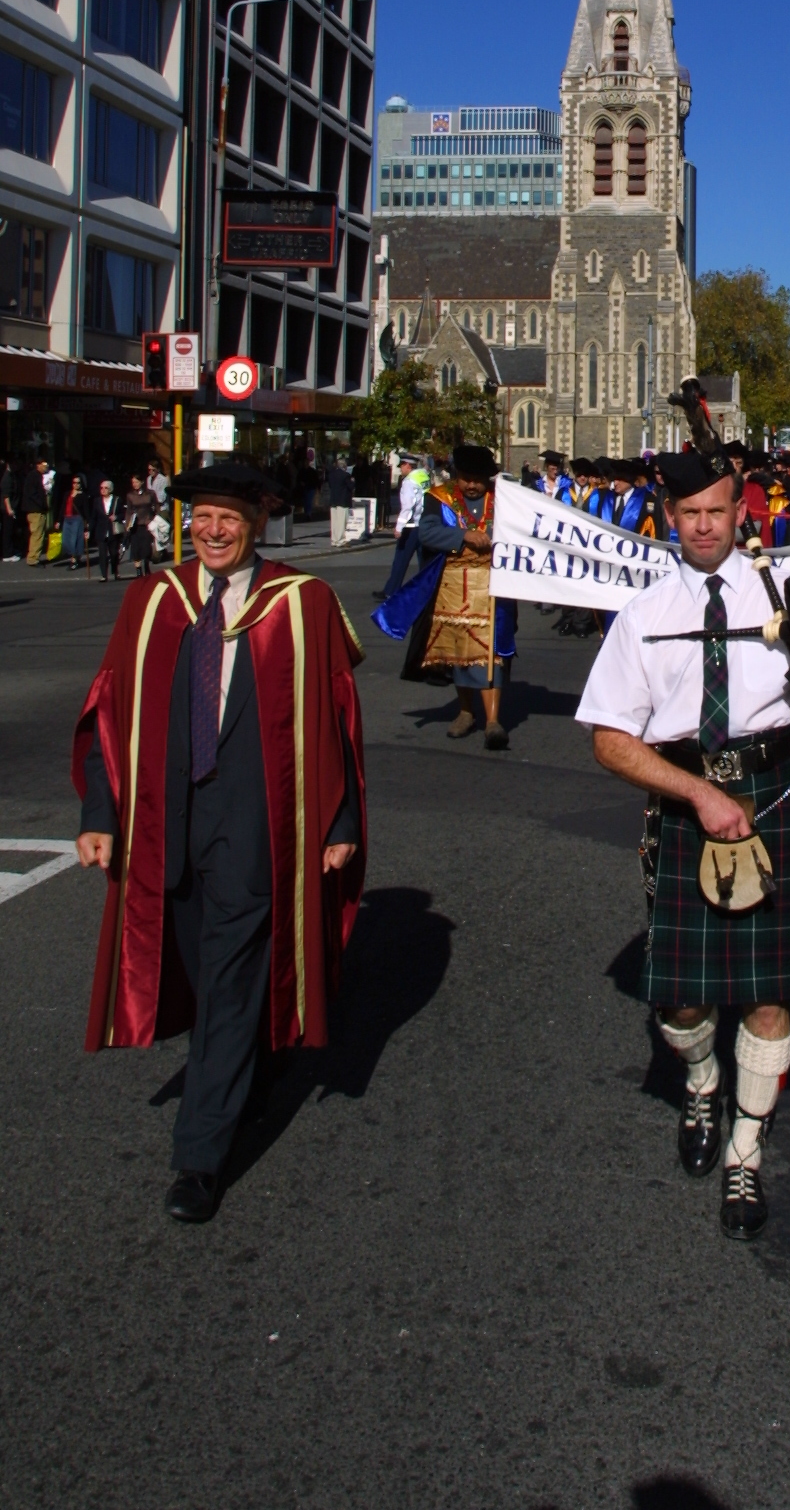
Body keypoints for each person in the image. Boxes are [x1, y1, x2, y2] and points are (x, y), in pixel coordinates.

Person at [575, 449, 790, 1239]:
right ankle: (703, 1081)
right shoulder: (642, 616)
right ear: (668, 519)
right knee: (682, 996)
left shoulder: (788, 590)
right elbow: (610, 739)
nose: (704, 526)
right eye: (689, 514)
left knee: (769, 993)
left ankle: (745, 1153)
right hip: (685, 805)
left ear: (741, 512)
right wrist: (697, 793)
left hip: (780, 797)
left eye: (717, 511)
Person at [72, 461, 366, 1223]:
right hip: (162, 821)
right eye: (202, 518)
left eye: (229, 518)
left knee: (230, 981)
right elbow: (110, 710)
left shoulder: (302, 603)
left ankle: (199, 1158)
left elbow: (335, 720)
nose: (212, 532)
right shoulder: (152, 600)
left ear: (258, 521)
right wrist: (99, 813)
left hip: (258, 820)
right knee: (202, 968)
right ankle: (258, 1054)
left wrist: (338, 825)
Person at [400, 445, 515, 748]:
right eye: (466, 479)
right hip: (451, 586)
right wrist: (463, 535)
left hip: (494, 587)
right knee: (459, 653)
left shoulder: (505, 499)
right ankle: (466, 711)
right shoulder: (439, 498)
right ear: (457, 476)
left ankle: (492, 720)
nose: (472, 485)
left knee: (492, 654)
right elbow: (426, 532)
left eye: (478, 479)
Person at [376, 453, 428, 599]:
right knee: (424, 561)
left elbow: (407, 506)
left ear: (407, 465)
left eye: (402, 466)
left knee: (400, 560)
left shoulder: (409, 481)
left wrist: (399, 527)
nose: (400, 469)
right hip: (424, 524)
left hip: (410, 527)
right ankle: (426, 590)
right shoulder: (424, 476)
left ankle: (391, 591)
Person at [124, 473, 159, 577]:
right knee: (136, 548)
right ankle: (138, 570)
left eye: (136, 482)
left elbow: (156, 506)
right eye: (133, 482)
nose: (134, 484)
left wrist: (156, 518)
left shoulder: (150, 494)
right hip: (135, 525)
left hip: (147, 523)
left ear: (142, 482)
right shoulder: (130, 495)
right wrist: (127, 525)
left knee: (146, 548)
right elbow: (129, 511)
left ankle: (146, 566)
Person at [91, 477, 123, 581]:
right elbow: (94, 517)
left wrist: (117, 517)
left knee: (114, 553)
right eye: (101, 488)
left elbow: (123, 513)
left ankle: (115, 571)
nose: (103, 490)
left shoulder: (117, 500)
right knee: (102, 554)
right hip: (101, 531)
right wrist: (88, 531)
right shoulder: (97, 501)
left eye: (105, 488)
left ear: (110, 489)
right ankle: (104, 575)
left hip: (113, 530)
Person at [60, 467, 88, 569]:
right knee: (66, 540)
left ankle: (74, 560)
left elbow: (86, 510)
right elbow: (63, 506)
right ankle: (75, 558)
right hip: (67, 518)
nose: (76, 485)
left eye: (78, 483)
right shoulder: (67, 494)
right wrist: (59, 520)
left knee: (75, 540)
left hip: (77, 519)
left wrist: (87, 523)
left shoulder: (83, 496)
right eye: (74, 482)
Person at [22, 454, 47, 565]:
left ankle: (33, 556)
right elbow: (32, 493)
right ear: (38, 465)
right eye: (44, 465)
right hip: (36, 510)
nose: (46, 467)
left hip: (33, 509)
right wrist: (42, 504)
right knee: (37, 534)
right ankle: (33, 558)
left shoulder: (33, 476)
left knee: (36, 533)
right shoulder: (34, 476)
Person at [326, 453, 354, 547]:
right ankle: (340, 540)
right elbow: (351, 487)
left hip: (333, 500)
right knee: (341, 522)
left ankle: (334, 540)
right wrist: (353, 481)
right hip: (343, 500)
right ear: (344, 466)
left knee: (334, 522)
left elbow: (330, 486)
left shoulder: (331, 475)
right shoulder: (345, 475)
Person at [0, 456, 17, 561]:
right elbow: (5, 496)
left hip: (6, 508)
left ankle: (8, 551)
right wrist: (9, 509)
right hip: (6, 509)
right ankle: (7, 554)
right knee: (7, 531)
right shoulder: (7, 477)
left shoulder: (10, 476)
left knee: (8, 531)